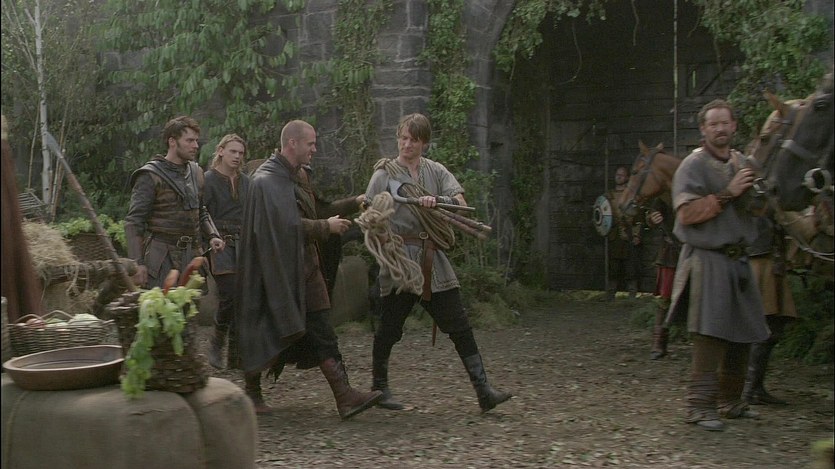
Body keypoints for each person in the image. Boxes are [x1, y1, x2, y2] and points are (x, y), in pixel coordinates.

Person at [363, 113, 512, 413]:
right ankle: (379, 389)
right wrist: (377, 216)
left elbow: (460, 201)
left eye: (413, 140)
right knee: (389, 327)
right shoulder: (384, 174)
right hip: (400, 262)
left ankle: (483, 391)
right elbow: (368, 212)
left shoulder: (435, 170)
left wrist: (437, 200)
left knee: (459, 325)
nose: (407, 144)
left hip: (432, 259)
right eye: (403, 138)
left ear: (424, 143)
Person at [236, 119, 382, 418]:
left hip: (305, 267)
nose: (315, 149)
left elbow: (318, 210)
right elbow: (282, 226)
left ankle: (344, 396)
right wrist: (324, 227)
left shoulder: (297, 176)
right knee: (265, 327)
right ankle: (252, 391)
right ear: (293, 143)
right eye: (311, 143)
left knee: (322, 329)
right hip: (276, 272)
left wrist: (354, 202)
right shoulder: (265, 181)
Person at [666, 99, 770, 431]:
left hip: (740, 258)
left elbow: (758, 210)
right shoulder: (692, 166)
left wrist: (758, 194)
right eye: (713, 124)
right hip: (708, 258)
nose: (720, 129)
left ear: (734, 126)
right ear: (703, 129)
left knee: (744, 331)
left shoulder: (743, 162)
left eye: (725, 123)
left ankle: (730, 401)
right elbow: (687, 214)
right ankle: (698, 407)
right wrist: (728, 192)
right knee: (710, 333)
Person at [124, 116, 225, 289]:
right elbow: (134, 222)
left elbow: (200, 210)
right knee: (162, 304)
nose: (195, 145)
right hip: (162, 258)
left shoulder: (196, 172)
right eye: (189, 141)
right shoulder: (150, 175)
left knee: (194, 304)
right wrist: (137, 263)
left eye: (196, 141)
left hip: (192, 256)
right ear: (172, 141)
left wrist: (213, 235)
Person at [203, 134, 250, 370]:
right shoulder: (208, 179)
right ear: (220, 151)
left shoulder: (247, 182)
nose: (237, 156)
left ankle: (235, 355)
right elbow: (201, 213)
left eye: (240, 153)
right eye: (233, 151)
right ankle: (216, 343)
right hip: (219, 243)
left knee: (243, 298)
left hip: (244, 243)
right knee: (229, 294)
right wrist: (210, 238)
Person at [743, 214, 796, 405]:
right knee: (762, 330)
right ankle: (749, 390)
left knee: (772, 330)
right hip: (760, 265)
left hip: (772, 265)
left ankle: (755, 388)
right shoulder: (756, 201)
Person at [645, 201, 682, 360]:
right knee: (665, 299)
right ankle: (658, 342)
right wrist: (652, 218)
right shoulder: (665, 195)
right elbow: (652, 212)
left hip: (698, 248)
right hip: (671, 253)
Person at [606, 166, 643, 300]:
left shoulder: (632, 196)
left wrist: (637, 235)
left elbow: (638, 218)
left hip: (629, 233)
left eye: (622, 175)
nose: (619, 176)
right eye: (617, 174)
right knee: (613, 265)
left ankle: (632, 293)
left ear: (627, 177)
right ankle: (611, 293)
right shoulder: (608, 196)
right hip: (614, 234)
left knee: (630, 265)